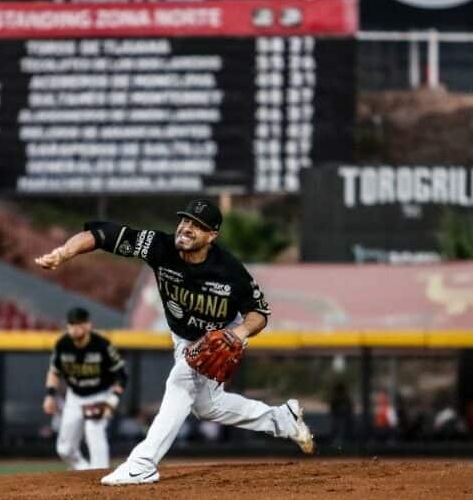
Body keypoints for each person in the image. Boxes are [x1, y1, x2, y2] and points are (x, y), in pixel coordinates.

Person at [36, 198, 314, 486]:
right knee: (207, 406)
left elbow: (259, 313)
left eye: (197, 225)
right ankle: (283, 419)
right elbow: (100, 235)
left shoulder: (229, 269)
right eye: (185, 221)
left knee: (180, 381)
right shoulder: (159, 246)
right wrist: (64, 252)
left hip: (220, 335)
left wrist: (239, 334)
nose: (187, 228)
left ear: (212, 236)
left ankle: (143, 463)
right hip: (183, 335)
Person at [43, 307, 126, 470]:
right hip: (74, 397)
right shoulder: (63, 344)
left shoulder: (101, 345)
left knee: (94, 433)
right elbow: (54, 372)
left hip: (99, 395)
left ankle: (100, 473)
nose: (75, 328)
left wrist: (113, 399)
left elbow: (121, 375)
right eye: (71, 324)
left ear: (88, 325)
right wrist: (50, 395)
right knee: (64, 449)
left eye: (79, 324)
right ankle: (85, 472)